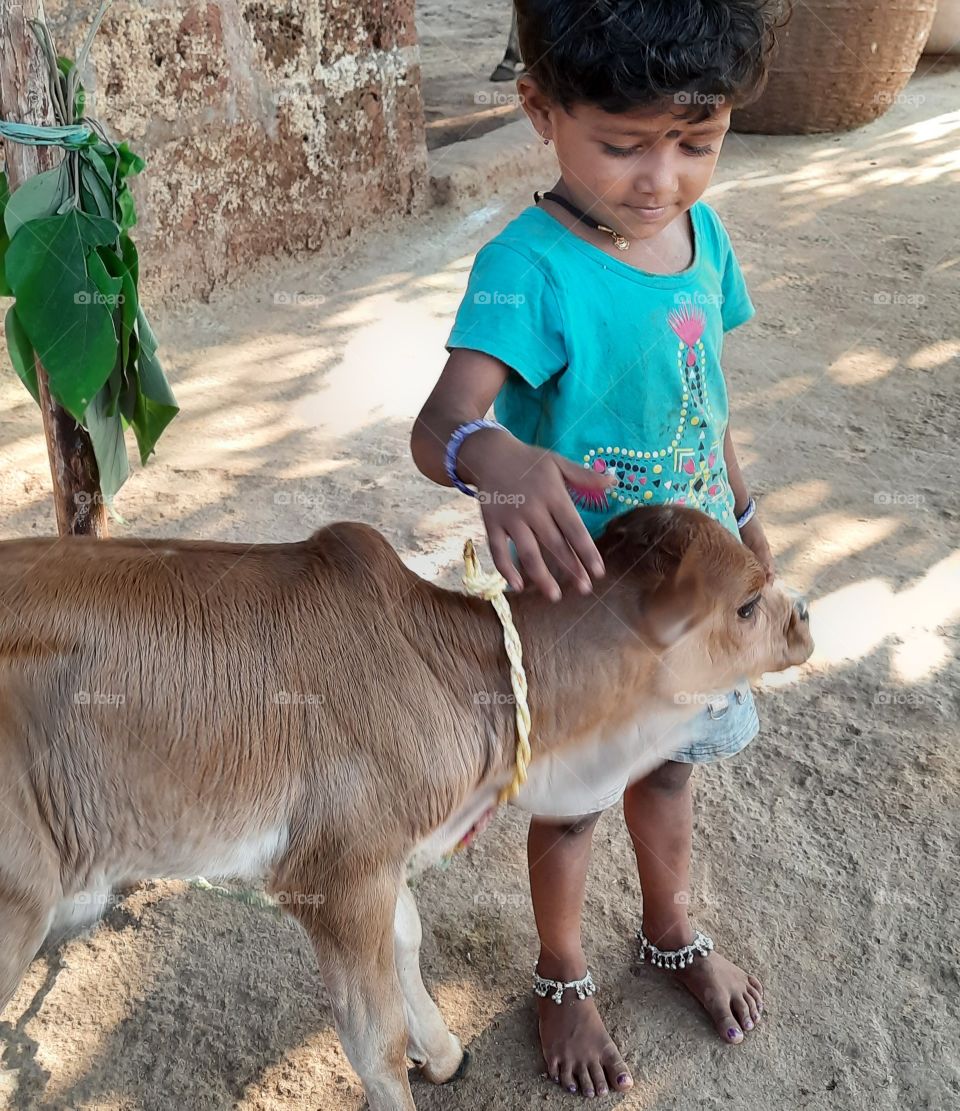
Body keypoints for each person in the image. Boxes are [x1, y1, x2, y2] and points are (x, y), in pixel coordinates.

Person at [411, 0, 786, 1097]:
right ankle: (564, 972)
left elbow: (703, 398)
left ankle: (669, 932)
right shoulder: (528, 266)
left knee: (669, 767)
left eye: (697, 142)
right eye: (623, 143)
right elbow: (439, 425)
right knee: (573, 799)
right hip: (578, 597)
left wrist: (747, 516)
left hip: (687, 601)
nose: (660, 177)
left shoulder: (703, 239)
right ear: (541, 109)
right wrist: (497, 458)